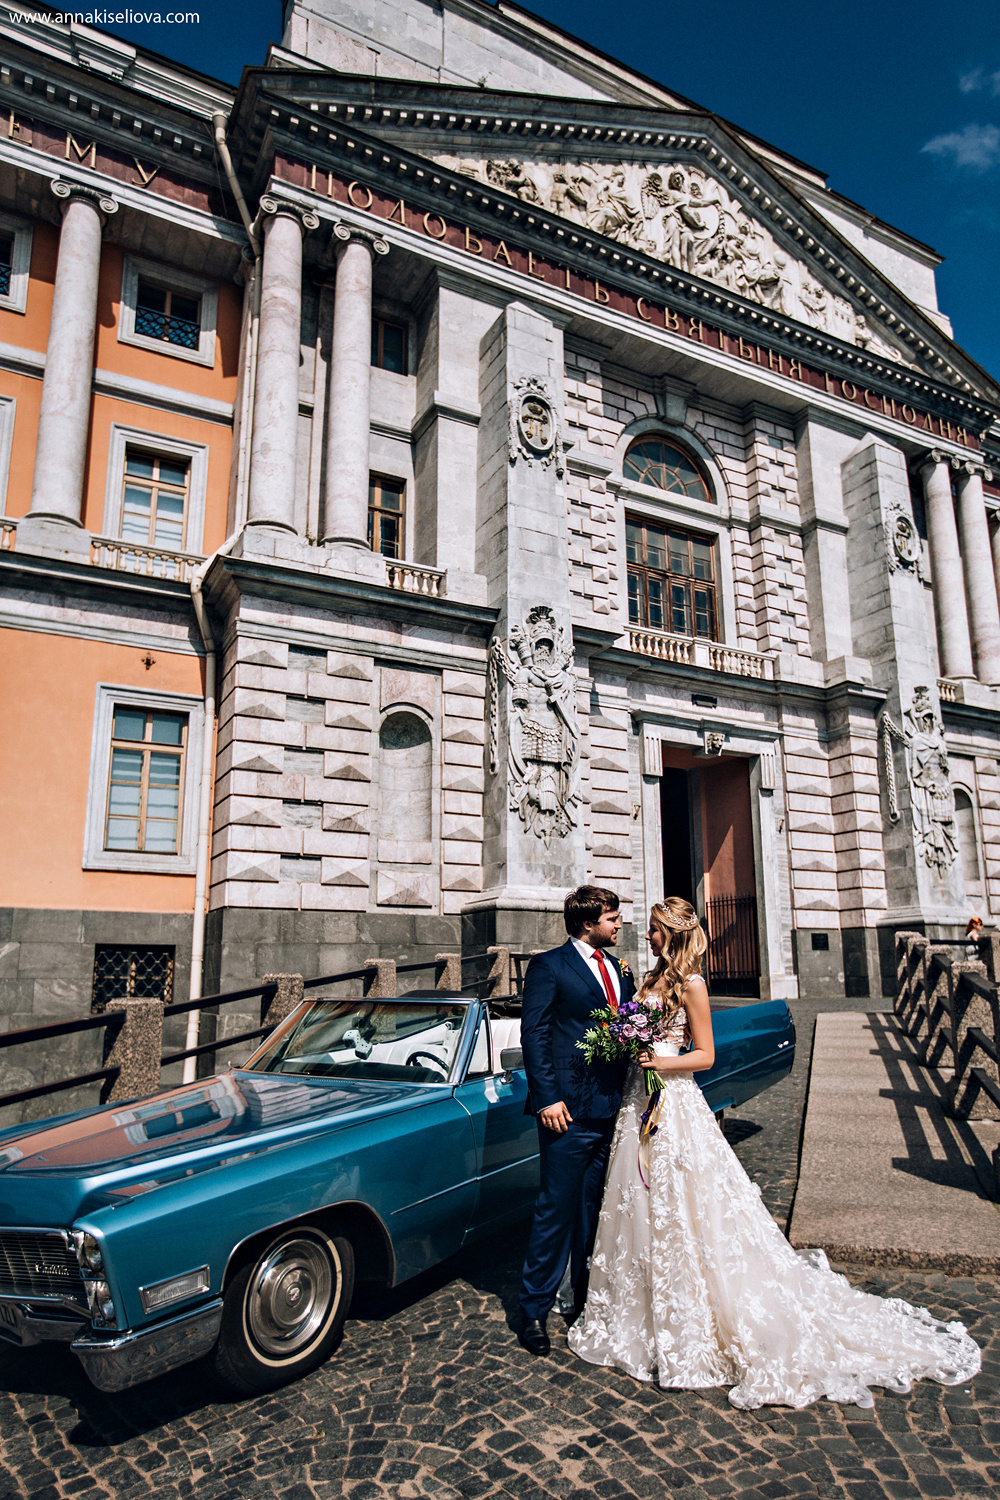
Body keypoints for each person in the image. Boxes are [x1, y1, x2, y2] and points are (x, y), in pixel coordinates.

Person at [568, 897, 981, 1408]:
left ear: (671, 934)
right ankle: (635, 1311)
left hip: (672, 1102)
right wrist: (629, 1047)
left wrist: (661, 1061)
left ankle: (693, 1318)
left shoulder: (693, 984)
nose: (647, 935)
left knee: (685, 1202)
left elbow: (706, 1055)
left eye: (654, 929)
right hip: (638, 1101)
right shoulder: (648, 980)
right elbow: (634, 1027)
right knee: (638, 1200)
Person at [517, 885, 635, 1356]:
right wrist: (547, 1099)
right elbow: (535, 1034)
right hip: (566, 1112)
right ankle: (533, 1309)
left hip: (611, 1105)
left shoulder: (619, 969)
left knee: (593, 1210)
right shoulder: (549, 966)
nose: (619, 924)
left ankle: (584, 1299)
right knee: (556, 1209)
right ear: (588, 923)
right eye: (612, 918)